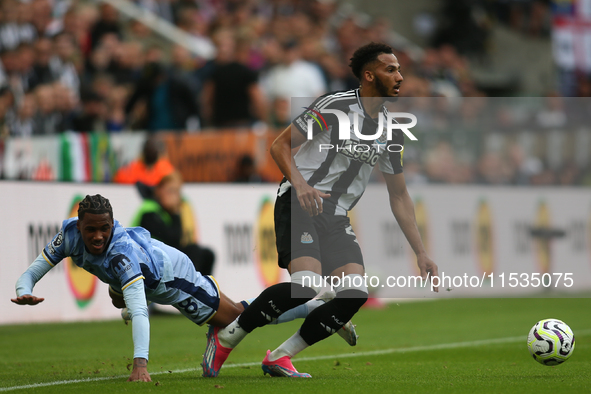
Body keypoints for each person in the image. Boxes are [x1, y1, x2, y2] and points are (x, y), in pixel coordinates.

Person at [202, 42, 439, 378]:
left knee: (354, 293)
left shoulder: (391, 130)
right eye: (391, 69)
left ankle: (280, 357)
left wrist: (421, 252)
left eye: (399, 69)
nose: (400, 76)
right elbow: (279, 145)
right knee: (307, 286)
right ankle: (227, 336)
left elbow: (398, 195)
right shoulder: (335, 106)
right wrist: (299, 184)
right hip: (300, 202)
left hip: (337, 215)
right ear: (369, 75)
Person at [11, 194, 356, 382]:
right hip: (149, 270)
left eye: (104, 229)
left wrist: (140, 364)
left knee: (239, 317)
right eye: (91, 230)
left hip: (172, 277)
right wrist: (24, 289)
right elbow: (36, 268)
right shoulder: (69, 233)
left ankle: (314, 308)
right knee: (119, 294)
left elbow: (144, 311)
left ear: (113, 225)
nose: (97, 236)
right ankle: (317, 309)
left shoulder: (121, 257)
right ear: (80, 225)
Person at [132, 171, 215, 276]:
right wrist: (176, 213)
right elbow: (173, 239)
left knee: (207, 254)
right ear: (158, 190)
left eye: (177, 192)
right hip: (144, 260)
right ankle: (191, 287)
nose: (174, 197)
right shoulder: (149, 210)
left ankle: (202, 288)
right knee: (193, 252)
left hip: (159, 257)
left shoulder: (165, 212)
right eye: (170, 191)